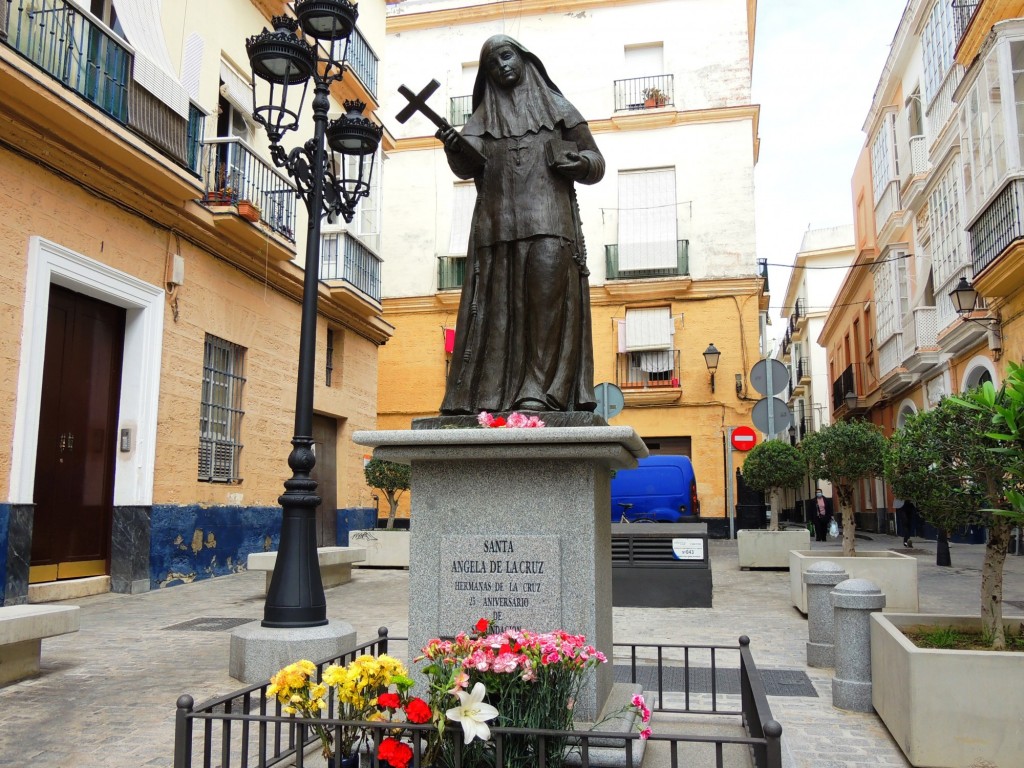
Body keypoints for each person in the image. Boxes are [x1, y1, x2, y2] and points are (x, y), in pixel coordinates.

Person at [435, 35, 605, 415]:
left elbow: (596, 161)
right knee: (497, 313)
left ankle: (539, 388)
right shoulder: (481, 118)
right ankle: (486, 396)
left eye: (507, 57)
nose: (502, 67)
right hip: (498, 229)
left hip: (550, 225)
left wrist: (579, 164)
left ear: (526, 59)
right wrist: (453, 145)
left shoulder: (559, 108)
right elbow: (468, 165)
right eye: (492, 64)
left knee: (544, 307)